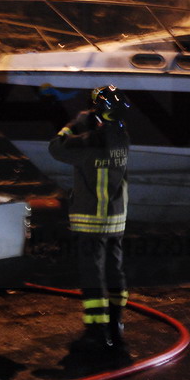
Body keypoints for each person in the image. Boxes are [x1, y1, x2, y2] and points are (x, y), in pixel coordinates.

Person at [48, 85, 133, 358]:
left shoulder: (87, 141)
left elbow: (56, 147)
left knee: (92, 276)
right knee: (115, 272)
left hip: (91, 220)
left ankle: (96, 334)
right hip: (115, 219)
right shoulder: (122, 136)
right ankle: (116, 328)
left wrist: (73, 124)